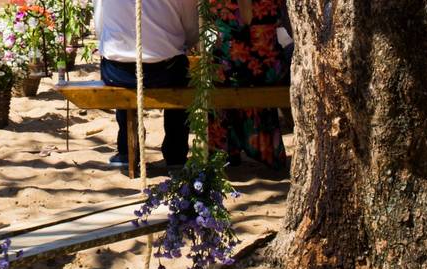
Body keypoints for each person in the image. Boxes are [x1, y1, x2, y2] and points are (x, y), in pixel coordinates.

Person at [94, 0, 199, 171]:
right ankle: (176, 155)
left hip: (118, 72)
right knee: (181, 75)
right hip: (165, 70)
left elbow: (100, 27)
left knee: (124, 74)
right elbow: (192, 31)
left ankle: (126, 150)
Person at [208, 0, 288, 169]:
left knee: (218, 75)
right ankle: (267, 151)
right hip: (267, 66)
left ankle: (226, 151)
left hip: (230, 66)